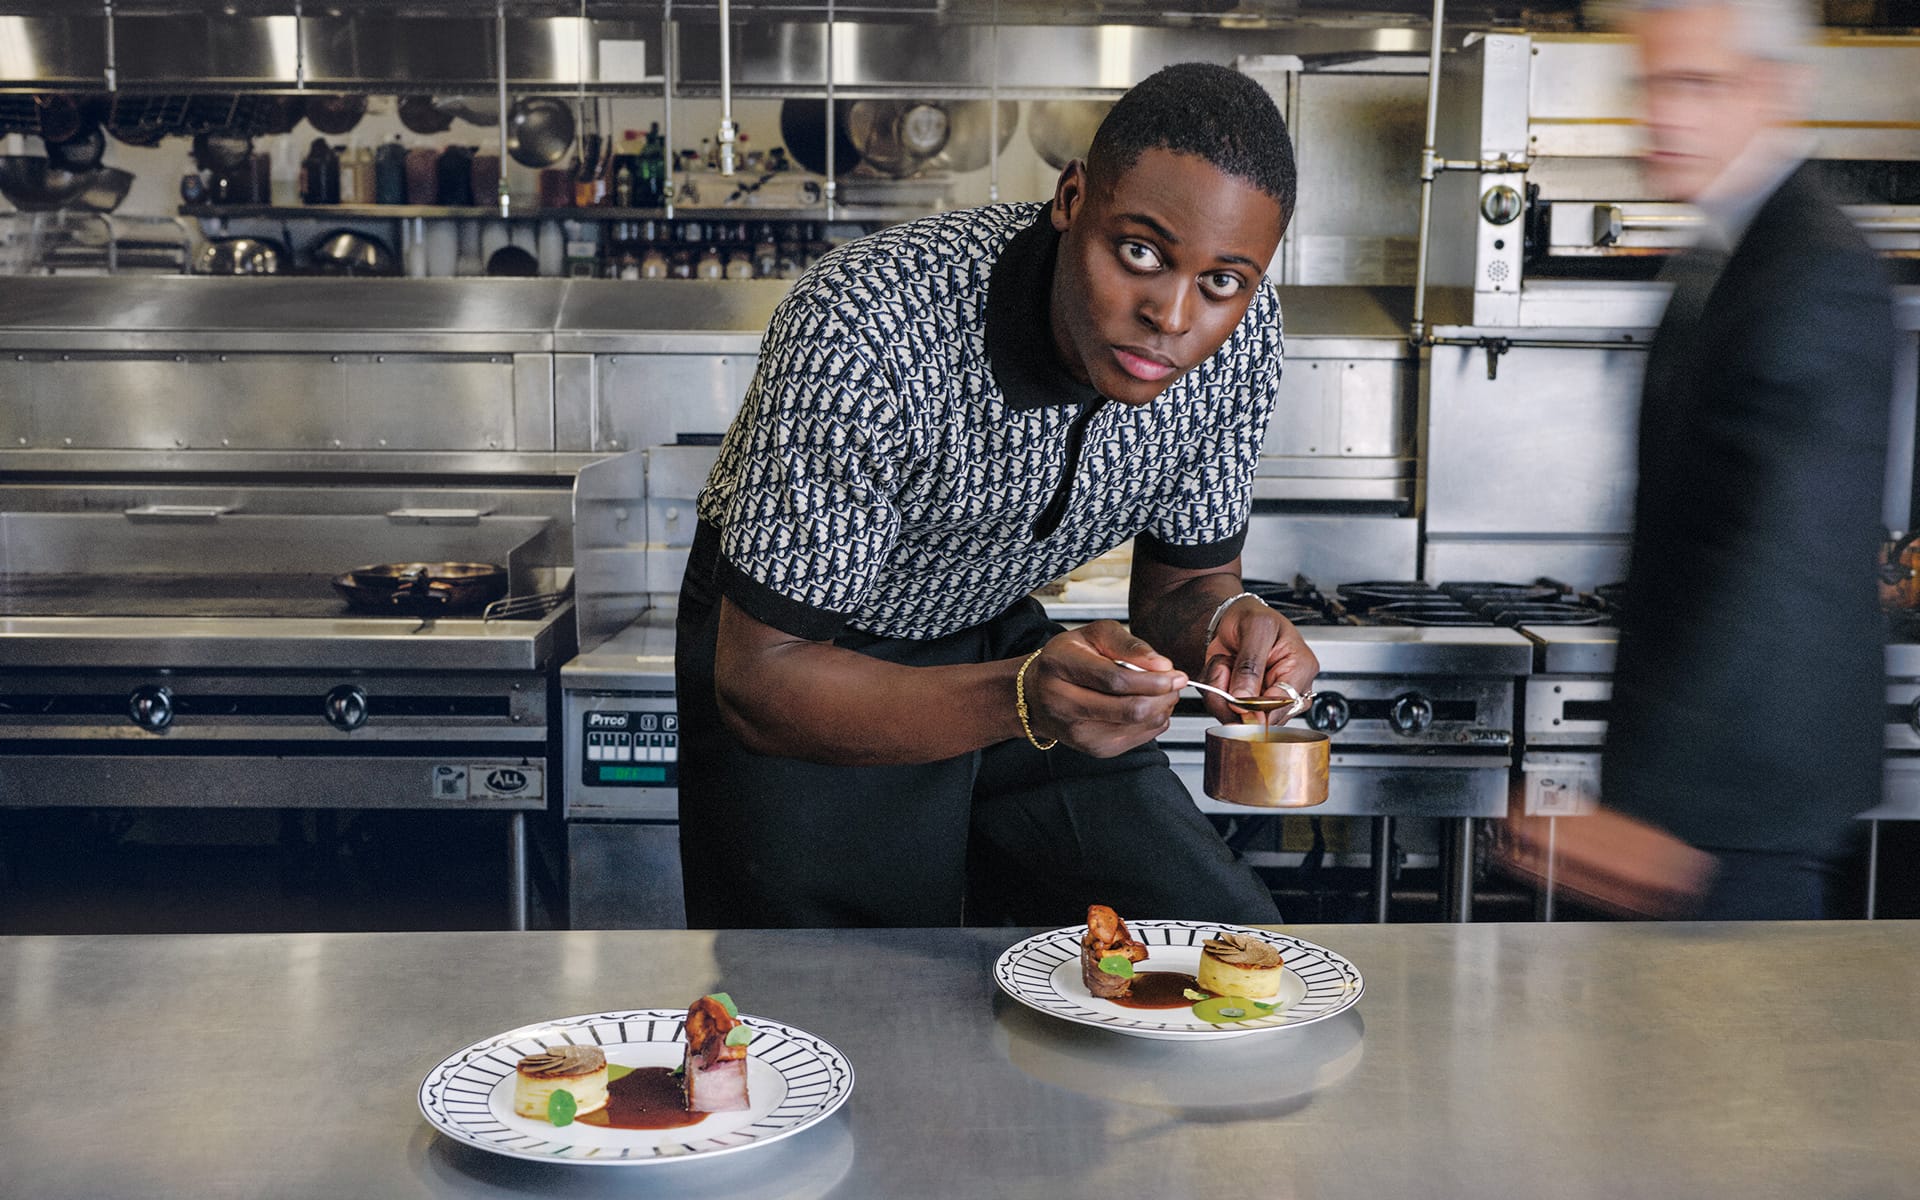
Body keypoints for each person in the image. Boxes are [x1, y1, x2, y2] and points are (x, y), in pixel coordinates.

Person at [675, 62, 1317, 929]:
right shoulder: (869, 325)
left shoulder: (1243, 343)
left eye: (1221, 282)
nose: (1171, 315)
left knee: (1207, 934)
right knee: (859, 1007)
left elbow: (1181, 591)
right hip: (806, 663)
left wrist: (1225, 624)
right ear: (1071, 198)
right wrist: (1024, 695)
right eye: (1140, 252)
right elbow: (758, 680)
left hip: (997, 638)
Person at [1596, 0, 1894, 918]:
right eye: (1651, 82)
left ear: (1774, 91)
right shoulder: (1726, 255)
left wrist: (1661, 815)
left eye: (1697, 84)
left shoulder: (1813, 269)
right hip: (1699, 807)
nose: (1664, 115)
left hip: (1738, 811)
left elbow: (1777, 557)